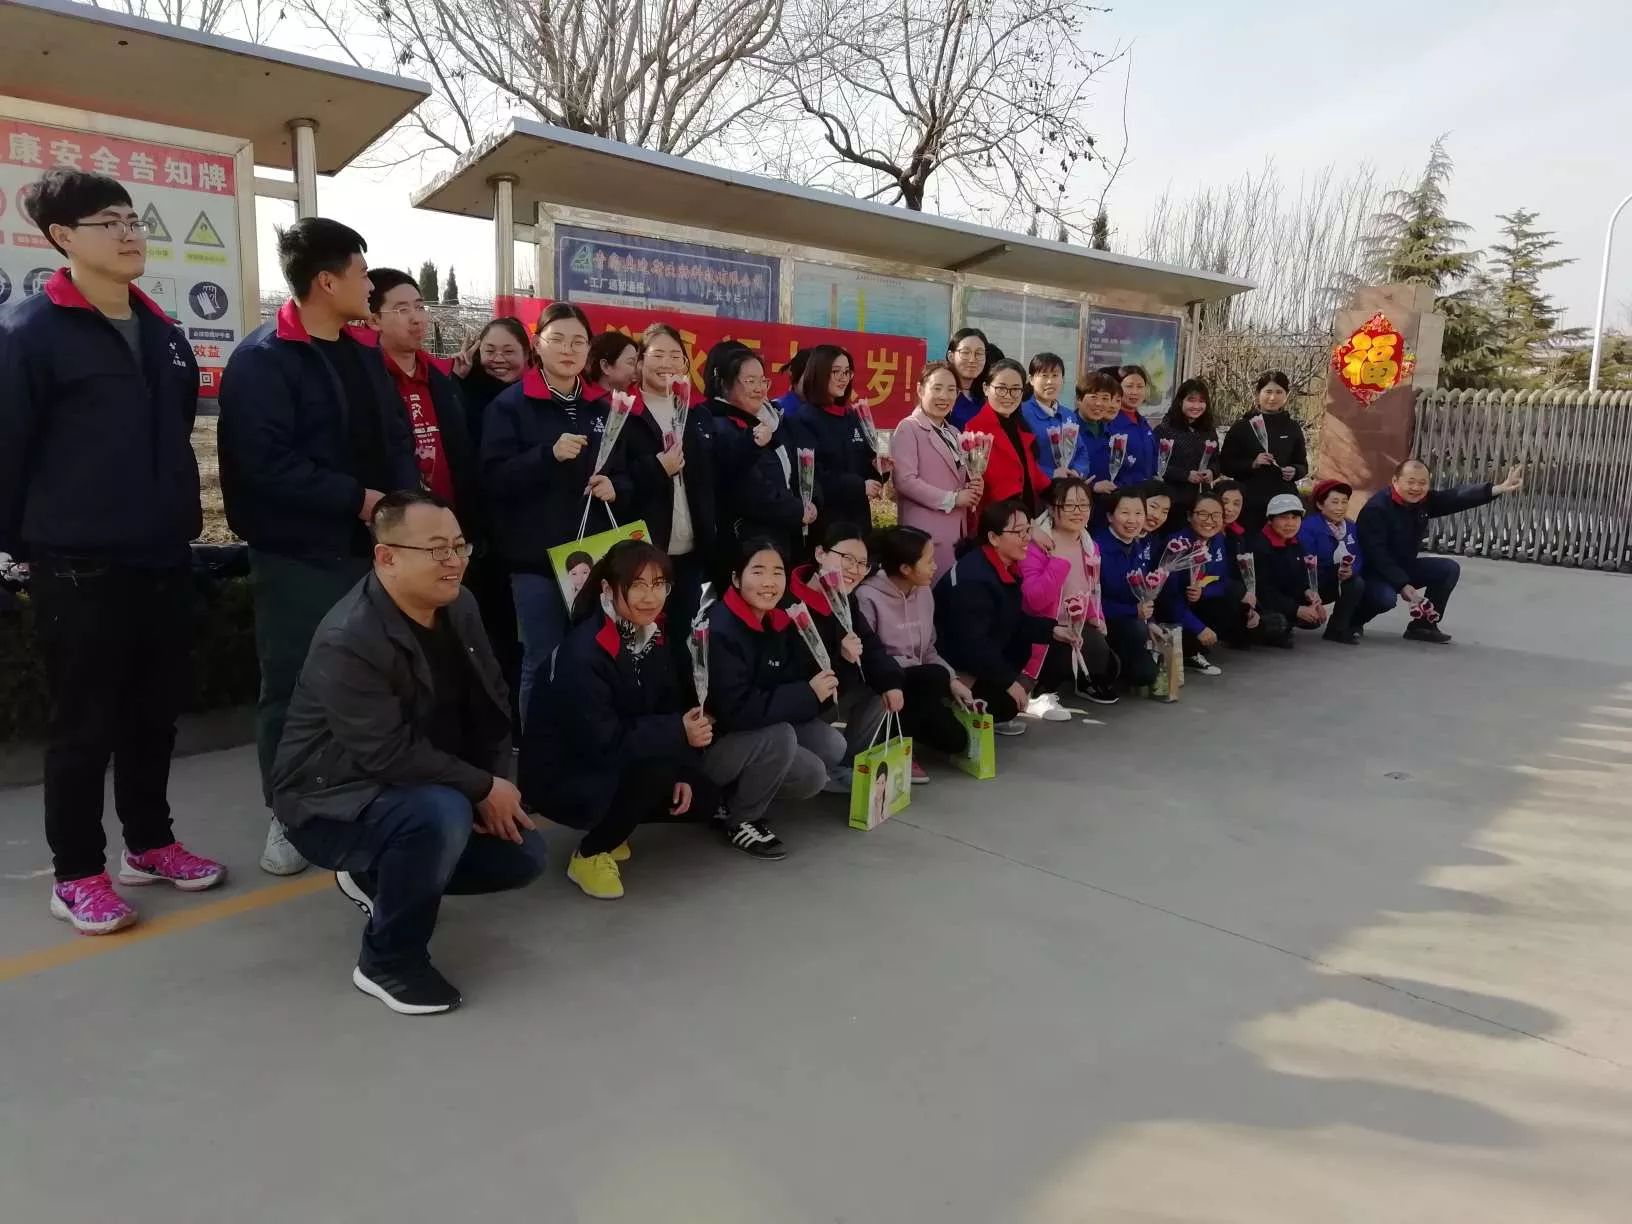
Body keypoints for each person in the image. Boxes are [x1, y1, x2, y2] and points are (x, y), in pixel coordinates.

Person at [0, 168, 225, 933]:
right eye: (109, 221)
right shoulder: (30, 334)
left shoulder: (163, 334)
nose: (130, 233)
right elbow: (9, 450)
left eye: (133, 219)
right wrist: (13, 550)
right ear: (63, 237)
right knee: (83, 726)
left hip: (160, 554)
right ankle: (76, 874)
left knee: (152, 715)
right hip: (76, 562)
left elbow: (173, 438)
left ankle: (150, 844)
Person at [270, 490, 547, 1015]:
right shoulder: (350, 637)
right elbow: (385, 753)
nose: (454, 560)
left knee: (522, 856)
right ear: (387, 557)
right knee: (438, 816)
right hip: (329, 802)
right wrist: (478, 788)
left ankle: (375, 876)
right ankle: (388, 961)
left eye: (460, 546)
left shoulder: (459, 604)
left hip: (418, 779)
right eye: (437, 549)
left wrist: (491, 786)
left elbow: (491, 703)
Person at [220, 218, 419, 877]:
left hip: (375, 550)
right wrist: (356, 499)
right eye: (362, 274)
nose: (371, 287)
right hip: (298, 554)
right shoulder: (263, 359)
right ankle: (288, 813)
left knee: (376, 680)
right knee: (293, 685)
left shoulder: (362, 354)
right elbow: (263, 465)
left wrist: (404, 507)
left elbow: (395, 438)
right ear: (327, 282)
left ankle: (362, 797)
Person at [519, 540, 719, 899]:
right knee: (656, 770)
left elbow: (667, 705)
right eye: (637, 585)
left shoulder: (651, 634)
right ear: (608, 589)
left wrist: (683, 768)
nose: (650, 597)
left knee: (699, 794)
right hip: (563, 773)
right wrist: (677, 733)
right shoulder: (585, 652)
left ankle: (617, 824)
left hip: (611, 753)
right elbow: (602, 742)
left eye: (659, 584)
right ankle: (589, 854)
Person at [482, 301, 631, 724]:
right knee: (542, 659)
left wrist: (615, 486)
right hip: (537, 563)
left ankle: (586, 746)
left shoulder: (604, 407)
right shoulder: (510, 406)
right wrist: (546, 456)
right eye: (558, 339)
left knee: (592, 657)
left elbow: (625, 472)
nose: (568, 350)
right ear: (537, 345)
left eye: (578, 341)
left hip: (595, 559)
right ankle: (537, 755)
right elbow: (492, 479)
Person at [703, 539, 846, 859]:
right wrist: (807, 693)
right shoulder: (721, 629)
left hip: (757, 730)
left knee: (830, 747)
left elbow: (791, 680)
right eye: (758, 571)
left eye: (777, 572)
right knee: (788, 745)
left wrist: (826, 675)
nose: (769, 582)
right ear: (736, 578)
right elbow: (735, 711)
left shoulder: (778, 619)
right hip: (718, 744)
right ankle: (740, 818)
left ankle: (737, 796)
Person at [934, 500, 1070, 735]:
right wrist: (1009, 682)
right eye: (1018, 532)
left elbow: (1011, 619)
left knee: (1038, 643)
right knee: (1007, 704)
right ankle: (955, 700)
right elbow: (971, 644)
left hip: (977, 651)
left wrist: (1052, 630)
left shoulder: (1002, 566)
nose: (1027, 538)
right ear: (994, 537)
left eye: (1028, 530)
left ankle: (986, 696)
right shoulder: (974, 579)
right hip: (951, 661)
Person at [855, 526, 978, 781]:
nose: (935, 567)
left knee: (956, 741)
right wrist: (931, 673)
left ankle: (907, 731)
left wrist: (953, 679)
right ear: (905, 568)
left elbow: (928, 648)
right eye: (929, 561)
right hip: (883, 684)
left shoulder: (923, 592)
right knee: (932, 676)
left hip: (920, 683)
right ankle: (896, 745)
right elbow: (869, 656)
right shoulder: (867, 596)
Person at [1355, 459, 1524, 643]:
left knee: (1448, 569)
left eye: (1422, 483)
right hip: (1373, 572)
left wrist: (1498, 489)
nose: (1416, 488)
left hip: (1403, 566)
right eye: (1410, 482)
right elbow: (1377, 555)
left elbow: (1456, 497)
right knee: (1386, 598)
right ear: (1395, 481)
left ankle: (1423, 626)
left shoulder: (1423, 501)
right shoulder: (1377, 509)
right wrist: (1402, 584)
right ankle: (1350, 621)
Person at [788, 525, 905, 790]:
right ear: (820, 554)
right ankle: (820, 768)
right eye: (847, 559)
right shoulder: (789, 604)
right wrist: (840, 659)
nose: (855, 569)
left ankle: (848, 767)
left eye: (862, 563)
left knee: (882, 691)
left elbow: (870, 645)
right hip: (799, 707)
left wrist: (891, 682)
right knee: (832, 745)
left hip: (834, 695)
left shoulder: (844, 598)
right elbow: (795, 674)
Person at [620, 322, 715, 638]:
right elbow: (616, 480)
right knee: (641, 636)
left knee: (684, 637)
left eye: (676, 356)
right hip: (644, 549)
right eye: (658, 355)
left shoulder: (696, 413)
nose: (668, 364)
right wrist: (658, 467)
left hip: (691, 552)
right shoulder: (624, 413)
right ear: (640, 362)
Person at [365, 268, 480, 529]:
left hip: (448, 521)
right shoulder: (365, 382)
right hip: (394, 526)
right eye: (402, 310)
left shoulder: (442, 379)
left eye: (419, 307)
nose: (417, 319)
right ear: (374, 320)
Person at [708, 344, 813, 577]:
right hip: (746, 546)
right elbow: (748, 489)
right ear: (725, 383)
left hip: (779, 537)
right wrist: (796, 510)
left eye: (762, 381)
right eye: (750, 381)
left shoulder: (769, 421)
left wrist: (809, 502)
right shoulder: (720, 426)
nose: (759, 388)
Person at [1020, 477, 1115, 711]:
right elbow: (1034, 601)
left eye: (1084, 505)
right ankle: (1042, 686)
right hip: (1044, 629)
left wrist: (1095, 616)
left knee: (1109, 662)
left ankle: (1077, 680)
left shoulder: (1090, 545)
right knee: (1093, 651)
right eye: (1069, 505)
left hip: (1075, 625)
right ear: (1052, 509)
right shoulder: (1036, 546)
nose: (1078, 511)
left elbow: (1091, 589)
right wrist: (1057, 561)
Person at [890, 361, 982, 575]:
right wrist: (952, 499)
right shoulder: (909, 427)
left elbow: (957, 477)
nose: (944, 396)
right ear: (920, 389)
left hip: (956, 532)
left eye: (951, 390)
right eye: (937, 388)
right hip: (924, 536)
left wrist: (974, 485)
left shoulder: (954, 432)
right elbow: (904, 481)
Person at [789, 345, 884, 539]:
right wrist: (858, 486)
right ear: (819, 373)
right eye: (836, 372)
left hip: (858, 519)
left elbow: (863, 465)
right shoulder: (804, 420)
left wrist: (879, 468)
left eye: (847, 372)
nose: (843, 378)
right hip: (827, 523)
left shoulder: (851, 416)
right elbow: (813, 476)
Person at [1159, 491, 1258, 666]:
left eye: (1216, 515)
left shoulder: (1218, 539)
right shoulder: (1176, 545)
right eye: (1203, 514)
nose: (1210, 520)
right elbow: (1168, 598)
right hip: (1171, 611)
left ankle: (1194, 646)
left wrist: (1203, 592)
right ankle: (1186, 646)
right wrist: (1199, 628)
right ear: (1189, 516)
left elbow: (1222, 580)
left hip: (1198, 603)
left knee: (1235, 604)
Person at [1220, 371, 1308, 531]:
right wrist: (1252, 464)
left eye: (1279, 392)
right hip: (1250, 501)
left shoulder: (1292, 427)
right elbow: (1225, 465)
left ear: (1286, 395)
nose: (1273, 398)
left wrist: (1295, 471)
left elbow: (1302, 465)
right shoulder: (1242, 427)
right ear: (1258, 394)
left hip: (1282, 502)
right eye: (1268, 391)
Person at [964, 358, 1051, 519]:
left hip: (1026, 520)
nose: (1008, 396)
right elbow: (994, 487)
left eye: (1015, 389)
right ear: (985, 388)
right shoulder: (974, 431)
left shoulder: (1019, 427)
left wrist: (1063, 492)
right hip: (999, 523)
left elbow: (1034, 476)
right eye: (1001, 389)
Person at [1092, 486, 1161, 690]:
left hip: (1131, 622)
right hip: (1103, 623)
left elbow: (1143, 593)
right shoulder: (1097, 548)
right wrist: (1133, 612)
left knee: (1146, 675)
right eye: (1125, 512)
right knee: (1136, 631)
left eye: (1138, 513)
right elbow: (1092, 601)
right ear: (1109, 516)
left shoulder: (1139, 546)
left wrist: (1150, 620)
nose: (1132, 520)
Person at [1247, 493, 1324, 647]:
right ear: (1270, 520)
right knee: (1278, 623)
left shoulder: (1295, 543)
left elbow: (1300, 578)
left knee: (1314, 618)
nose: (1290, 523)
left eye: (1295, 518)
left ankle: (1285, 625)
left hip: (1282, 599)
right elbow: (1263, 592)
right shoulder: (1260, 547)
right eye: (1283, 517)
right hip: (1260, 604)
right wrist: (1297, 609)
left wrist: (1309, 593)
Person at [1298, 479, 1368, 645]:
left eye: (1344, 502)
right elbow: (1306, 562)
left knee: (1356, 583)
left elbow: (1359, 555)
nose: (1340, 507)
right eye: (1335, 502)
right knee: (1310, 622)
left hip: (1335, 582)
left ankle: (1337, 629)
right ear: (1320, 505)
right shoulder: (1309, 527)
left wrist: (1352, 570)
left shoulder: (1351, 528)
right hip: (1310, 585)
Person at [449, 317, 531, 453]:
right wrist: (455, 380)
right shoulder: (465, 389)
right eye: (490, 351)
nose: (498, 359)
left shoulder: (539, 394)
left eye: (508, 351)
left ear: (526, 354)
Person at [1153, 377, 1218, 516]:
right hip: (1172, 500)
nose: (1196, 406)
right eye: (1191, 400)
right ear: (1180, 401)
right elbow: (1155, 464)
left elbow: (1216, 460)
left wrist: (1212, 471)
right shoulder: (1164, 430)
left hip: (1201, 500)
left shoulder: (1208, 430)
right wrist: (1185, 475)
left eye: (1201, 401)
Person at [1069, 370, 1124, 494]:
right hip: (1078, 501)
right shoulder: (1069, 430)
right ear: (1079, 399)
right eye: (1093, 397)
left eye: (1105, 398)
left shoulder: (1111, 433)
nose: (1099, 403)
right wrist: (1091, 487)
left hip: (1108, 501)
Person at [1019, 352, 1071, 474]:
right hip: (1037, 484)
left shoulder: (1069, 415)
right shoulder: (1022, 413)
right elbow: (1022, 457)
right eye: (1044, 375)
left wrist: (1077, 471)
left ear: (1062, 379)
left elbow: (1080, 450)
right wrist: (1051, 474)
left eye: (1055, 375)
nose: (1050, 381)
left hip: (1069, 480)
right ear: (1031, 379)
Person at [1109, 365, 1159, 488]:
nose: (1135, 392)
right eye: (1129, 386)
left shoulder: (1144, 424)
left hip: (1145, 492)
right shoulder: (1110, 423)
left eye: (1140, 387)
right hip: (1121, 493)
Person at [945, 327, 990, 428]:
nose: (972, 360)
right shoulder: (942, 394)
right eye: (965, 352)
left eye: (979, 353)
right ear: (951, 356)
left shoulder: (986, 396)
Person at [584, 330, 640, 398]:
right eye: (631, 363)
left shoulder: (635, 399)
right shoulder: (586, 401)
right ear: (605, 366)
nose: (637, 369)